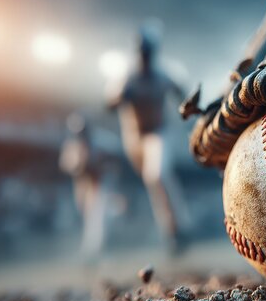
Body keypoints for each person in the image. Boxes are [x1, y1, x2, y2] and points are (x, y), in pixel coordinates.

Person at [107, 21, 186, 251]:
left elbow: (184, 96)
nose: (145, 56)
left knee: (157, 175)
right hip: (133, 139)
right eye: (142, 52)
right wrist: (120, 96)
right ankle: (176, 226)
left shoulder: (163, 75)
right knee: (156, 181)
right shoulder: (127, 77)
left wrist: (187, 101)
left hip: (159, 135)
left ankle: (175, 231)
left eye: (148, 51)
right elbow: (109, 104)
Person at [59, 113, 105, 260]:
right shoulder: (71, 145)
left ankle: (93, 251)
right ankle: (88, 250)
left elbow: (109, 164)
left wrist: (93, 165)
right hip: (81, 183)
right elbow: (65, 165)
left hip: (99, 183)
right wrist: (78, 166)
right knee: (84, 213)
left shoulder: (99, 141)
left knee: (96, 216)